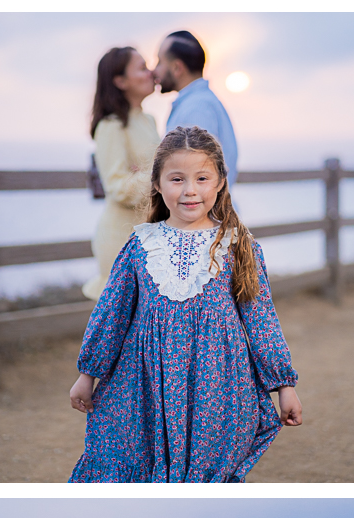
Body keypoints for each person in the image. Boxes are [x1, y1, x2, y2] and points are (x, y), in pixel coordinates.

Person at [68, 126, 302, 484]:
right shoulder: (140, 246)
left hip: (218, 387)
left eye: (202, 178)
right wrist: (88, 375)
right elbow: (111, 315)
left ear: (221, 181)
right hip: (145, 386)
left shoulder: (239, 246)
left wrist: (284, 385)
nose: (190, 190)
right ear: (158, 184)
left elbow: (261, 321)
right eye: (177, 179)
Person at [83, 47, 161, 301]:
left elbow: (145, 179)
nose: (150, 72)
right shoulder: (110, 126)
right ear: (120, 81)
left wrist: (146, 174)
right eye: (141, 67)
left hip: (150, 236)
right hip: (120, 239)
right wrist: (160, 174)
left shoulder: (148, 120)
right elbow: (118, 188)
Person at [154, 31, 238, 188]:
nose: (154, 71)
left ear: (177, 68)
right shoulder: (201, 103)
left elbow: (195, 178)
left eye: (159, 62)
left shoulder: (196, 109)